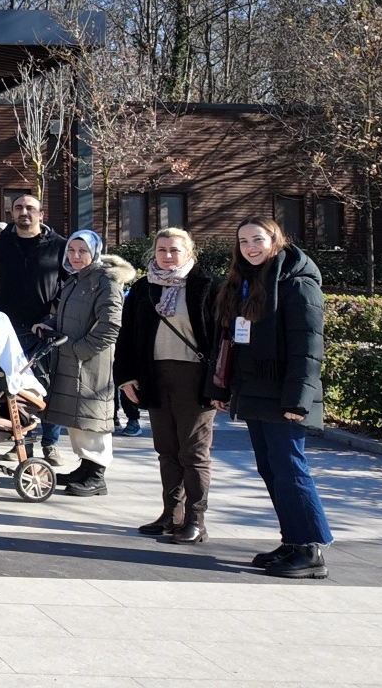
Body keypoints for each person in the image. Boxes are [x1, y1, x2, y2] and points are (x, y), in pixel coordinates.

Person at [208, 218, 331, 579]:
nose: (251, 246)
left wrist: (298, 400)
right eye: (244, 240)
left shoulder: (297, 283)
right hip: (256, 392)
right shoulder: (246, 282)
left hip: (283, 396)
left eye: (258, 239)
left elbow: (308, 347)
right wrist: (222, 388)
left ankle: (310, 548)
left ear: (276, 240)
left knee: (290, 469)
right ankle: (293, 540)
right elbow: (232, 342)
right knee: (272, 469)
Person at [115, 227, 218, 544]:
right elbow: (128, 335)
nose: (168, 255)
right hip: (155, 376)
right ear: (154, 253)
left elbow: (221, 336)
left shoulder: (208, 285)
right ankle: (171, 514)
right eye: (162, 250)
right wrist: (126, 375)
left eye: (174, 250)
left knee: (193, 452)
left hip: (195, 378)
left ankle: (195, 520)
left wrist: (220, 385)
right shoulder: (146, 288)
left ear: (189, 252)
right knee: (167, 450)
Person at [37, 229, 133, 497]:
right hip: (70, 359)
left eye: (83, 251)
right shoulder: (76, 280)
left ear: (95, 252)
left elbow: (111, 325)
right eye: (72, 250)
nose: (76, 256)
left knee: (92, 419)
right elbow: (66, 315)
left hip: (90, 363)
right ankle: (85, 467)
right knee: (77, 419)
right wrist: (47, 325)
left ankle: (97, 475)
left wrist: (80, 350)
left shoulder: (105, 281)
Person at [0, 193, 67, 463]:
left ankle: (50, 443)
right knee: (12, 389)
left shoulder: (59, 245)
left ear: (41, 213)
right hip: (9, 332)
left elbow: (69, 283)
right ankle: (21, 441)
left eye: (30, 208)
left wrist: (55, 314)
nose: (24, 212)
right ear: (11, 213)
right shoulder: (0, 244)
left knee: (49, 388)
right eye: (18, 208)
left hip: (46, 331)